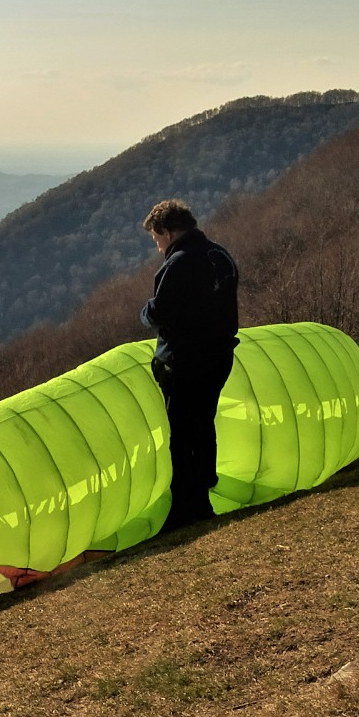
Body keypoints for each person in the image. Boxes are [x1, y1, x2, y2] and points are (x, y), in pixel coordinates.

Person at [139, 199, 239, 532]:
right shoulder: (220, 256)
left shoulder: (178, 264)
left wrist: (145, 312)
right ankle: (203, 492)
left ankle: (185, 506)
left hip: (183, 363)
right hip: (219, 357)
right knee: (203, 424)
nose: (157, 246)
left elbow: (159, 313)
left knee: (181, 435)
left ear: (168, 231)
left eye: (156, 238)